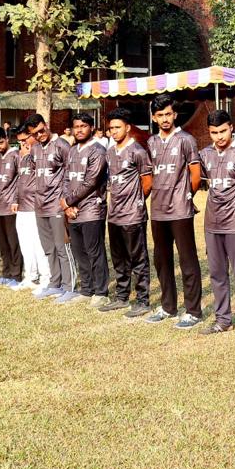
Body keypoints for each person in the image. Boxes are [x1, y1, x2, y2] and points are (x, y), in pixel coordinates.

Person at [198, 110, 235, 341]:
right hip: (212, 224)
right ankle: (222, 320)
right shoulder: (205, 154)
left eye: (223, 131)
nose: (219, 136)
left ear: (231, 128)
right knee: (217, 273)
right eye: (214, 132)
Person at [145, 94, 204, 329]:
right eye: (160, 115)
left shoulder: (186, 140)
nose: (165, 119)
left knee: (187, 260)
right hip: (158, 210)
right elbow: (150, 175)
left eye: (168, 114)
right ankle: (168, 307)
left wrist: (186, 196)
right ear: (154, 118)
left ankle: (193, 311)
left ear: (175, 114)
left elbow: (195, 174)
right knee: (162, 260)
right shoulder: (151, 142)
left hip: (180, 210)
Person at [98, 108, 155, 317]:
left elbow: (147, 182)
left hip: (132, 215)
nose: (113, 131)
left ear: (128, 128)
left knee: (138, 259)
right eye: (111, 128)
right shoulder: (110, 152)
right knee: (119, 258)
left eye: (118, 127)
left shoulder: (137, 151)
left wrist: (136, 202)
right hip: (114, 214)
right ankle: (121, 297)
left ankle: (143, 300)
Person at [26, 113, 75, 300]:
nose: (39, 135)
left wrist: (67, 202)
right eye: (35, 134)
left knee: (62, 247)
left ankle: (69, 286)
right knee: (48, 248)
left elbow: (72, 173)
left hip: (57, 205)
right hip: (40, 205)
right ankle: (55, 283)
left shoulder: (62, 145)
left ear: (46, 124)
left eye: (41, 131)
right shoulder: (35, 149)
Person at [62, 113, 109, 307]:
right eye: (76, 126)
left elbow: (91, 181)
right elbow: (66, 178)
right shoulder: (73, 150)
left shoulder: (98, 150)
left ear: (91, 128)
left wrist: (68, 201)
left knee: (94, 251)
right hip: (73, 211)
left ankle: (101, 292)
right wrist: (67, 204)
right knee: (79, 251)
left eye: (83, 126)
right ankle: (87, 289)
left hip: (92, 209)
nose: (79, 130)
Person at [11, 125, 49, 291]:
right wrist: (15, 199)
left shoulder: (40, 154)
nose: (23, 144)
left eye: (25, 139)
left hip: (36, 206)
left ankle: (45, 278)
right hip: (22, 207)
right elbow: (20, 181)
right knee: (25, 244)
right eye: (19, 141)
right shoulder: (23, 156)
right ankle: (30, 276)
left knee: (39, 244)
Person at [0, 128, 24, 288]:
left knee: (13, 241)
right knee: (2, 242)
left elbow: (22, 180)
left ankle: (16, 275)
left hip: (11, 206)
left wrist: (17, 200)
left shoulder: (16, 155)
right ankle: (6, 272)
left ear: (7, 139)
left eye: (0, 142)